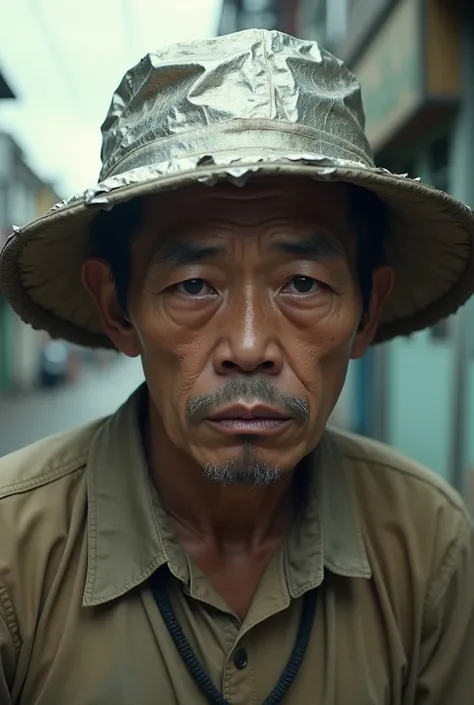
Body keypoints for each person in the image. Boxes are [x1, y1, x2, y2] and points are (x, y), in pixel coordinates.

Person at [0, 28, 473, 705]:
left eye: (303, 283)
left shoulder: (430, 546)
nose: (249, 346)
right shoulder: (12, 555)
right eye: (194, 284)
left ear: (368, 312)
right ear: (118, 309)